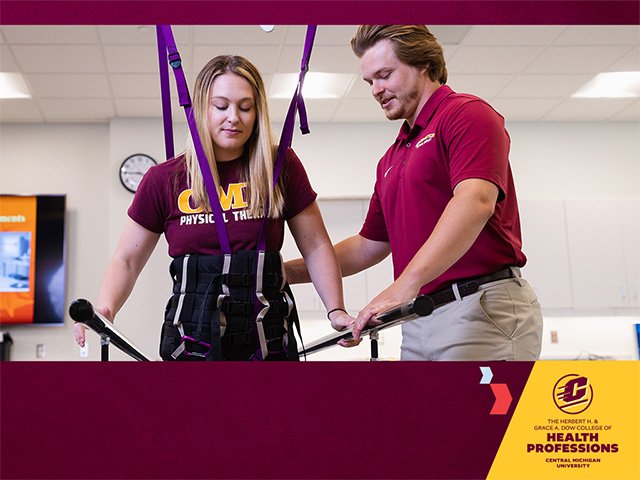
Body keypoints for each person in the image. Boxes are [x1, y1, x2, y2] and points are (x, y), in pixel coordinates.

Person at [74, 54, 356, 360]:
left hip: (267, 335)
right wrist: (105, 309)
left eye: (245, 107)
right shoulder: (164, 179)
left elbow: (315, 245)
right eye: (221, 106)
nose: (233, 117)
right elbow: (127, 259)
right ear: (201, 109)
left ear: (258, 112)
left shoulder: (280, 166)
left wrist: (336, 310)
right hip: (192, 338)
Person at [286, 25, 543, 361]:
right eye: (370, 82)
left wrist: (405, 283)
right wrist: (283, 272)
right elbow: (368, 246)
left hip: (480, 307)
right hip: (418, 317)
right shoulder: (392, 157)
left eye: (385, 75)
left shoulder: (466, 115)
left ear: (423, 64)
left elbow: (476, 201)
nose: (376, 90)